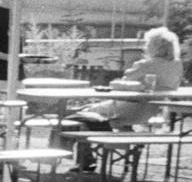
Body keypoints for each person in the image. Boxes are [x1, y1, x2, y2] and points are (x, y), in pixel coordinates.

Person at [64, 26, 185, 173]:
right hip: (149, 112)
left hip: (127, 108)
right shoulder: (176, 66)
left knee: (80, 115)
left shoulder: (144, 65)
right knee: (88, 115)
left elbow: (123, 85)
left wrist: (114, 83)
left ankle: (78, 157)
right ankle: (91, 152)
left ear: (154, 46)